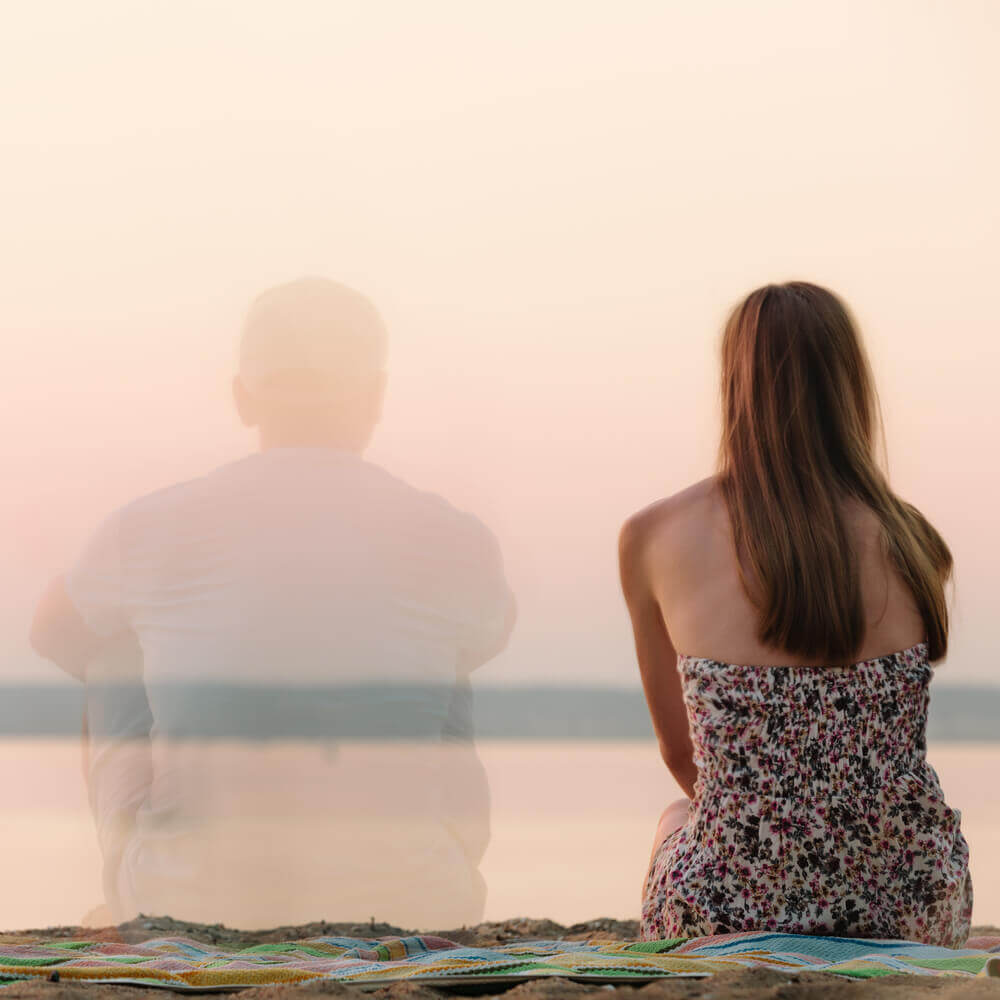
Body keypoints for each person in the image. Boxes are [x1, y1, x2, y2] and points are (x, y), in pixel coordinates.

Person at [30, 276, 516, 929]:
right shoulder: (454, 536)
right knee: (446, 653)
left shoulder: (148, 527)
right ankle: (426, 855)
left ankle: (143, 869)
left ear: (242, 398)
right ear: (377, 396)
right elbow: (490, 635)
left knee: (110, 641)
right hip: (422, 904)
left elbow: (52, 630)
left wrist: (180, 673)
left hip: (180, 903)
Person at [619, 281, 972, 948]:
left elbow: (681, 754)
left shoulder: (652, 536)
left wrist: (777, 844)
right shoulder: (911, 537)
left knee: (675, 816)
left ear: (735, 384)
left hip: (730, 910)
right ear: (849, 385)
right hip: (911, 903)